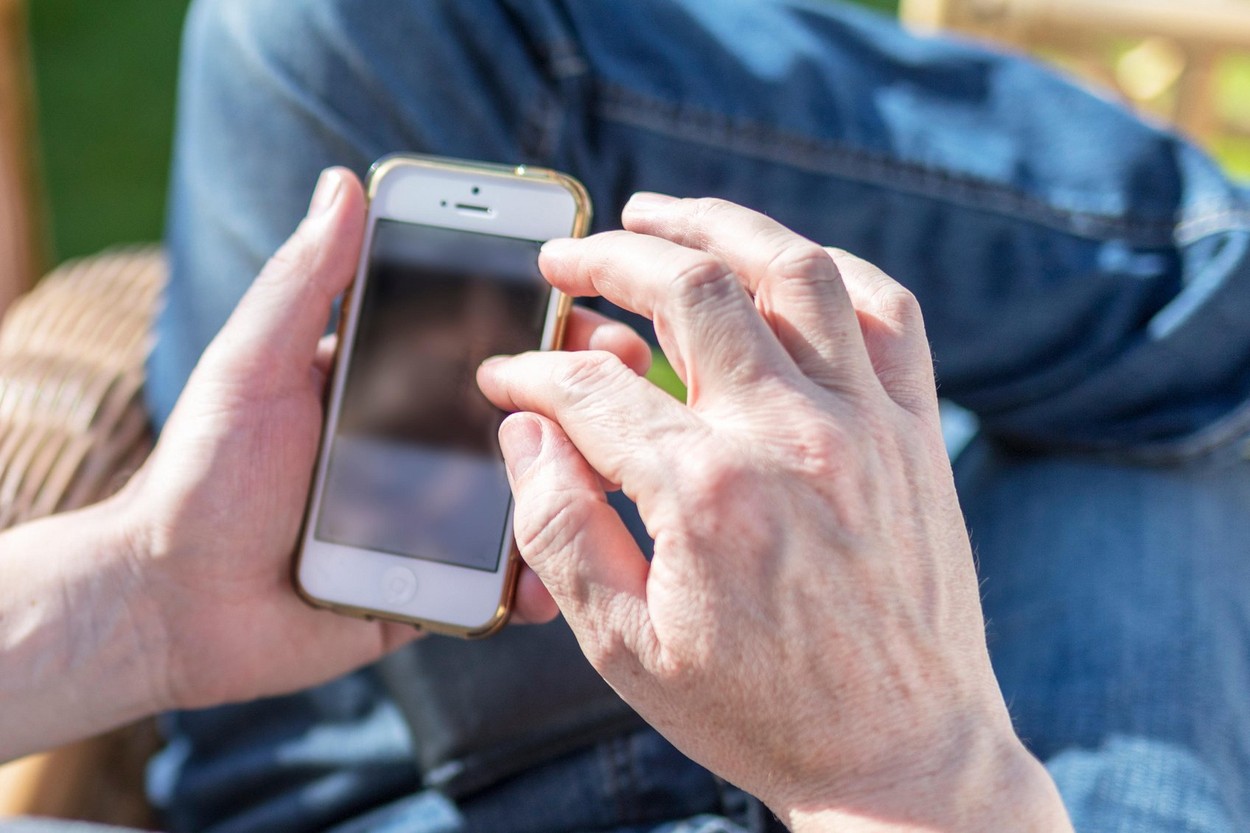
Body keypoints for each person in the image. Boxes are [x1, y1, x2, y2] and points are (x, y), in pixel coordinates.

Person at [6, 0, 1249, 830]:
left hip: (303, 741)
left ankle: (1193, 302)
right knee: (1143, 437)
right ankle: (1205, 295)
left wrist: (146, 593)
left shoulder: (179, 601)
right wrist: (914, 771)